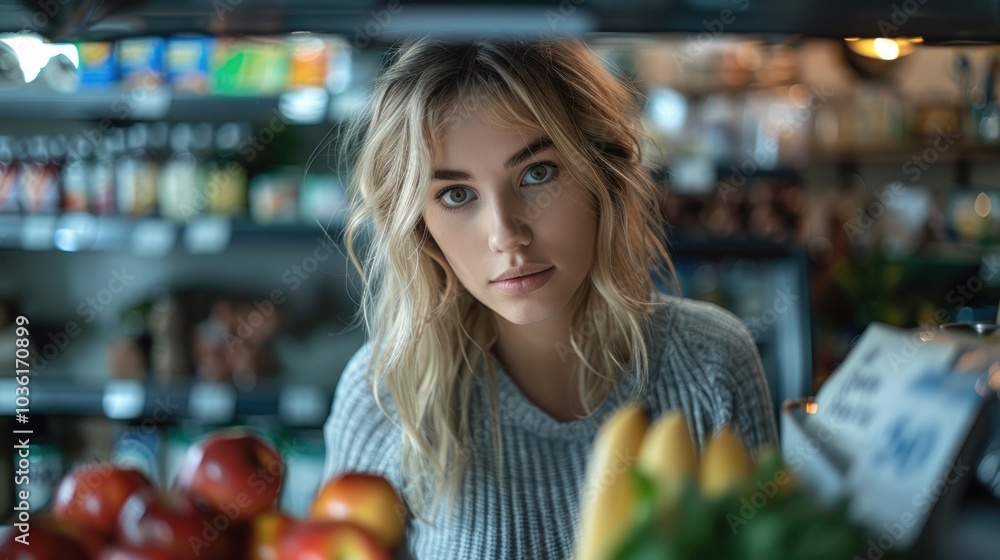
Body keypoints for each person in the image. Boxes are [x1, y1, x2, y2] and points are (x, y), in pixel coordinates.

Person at [322, 35, 778, 560]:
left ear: (601, 175)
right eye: (456, 194)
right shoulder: (387, 393)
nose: (505, 234)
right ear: (418, 223)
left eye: (537, 173)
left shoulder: (710, 361)